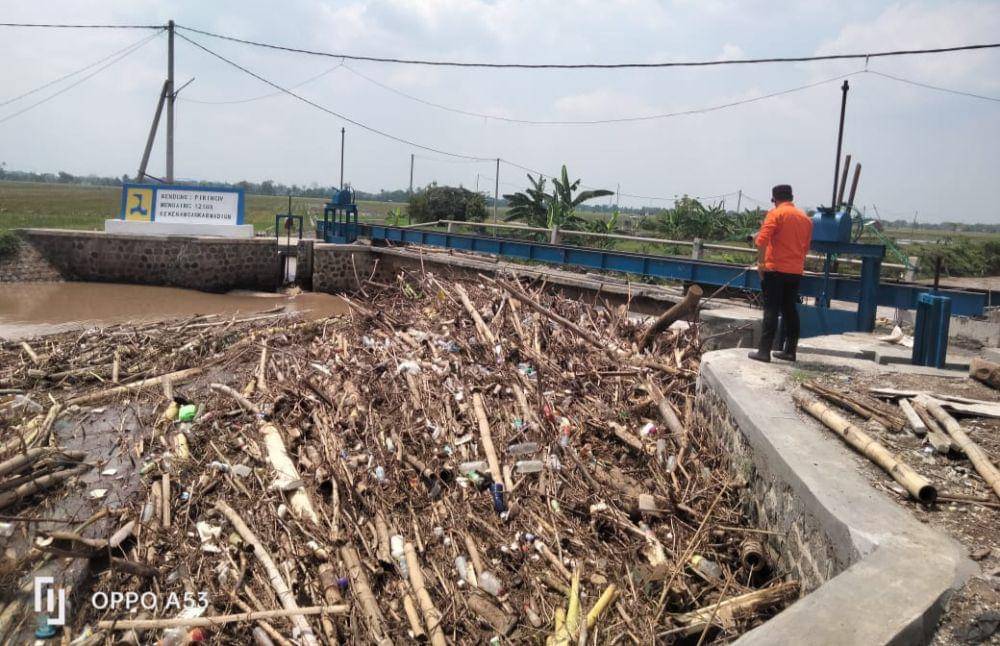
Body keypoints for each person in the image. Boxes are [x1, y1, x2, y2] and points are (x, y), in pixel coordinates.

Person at [748, 184, 813, 363]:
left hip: (775, 270)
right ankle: (790, 351)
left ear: (774, 199)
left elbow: (761, 241)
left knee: (771, 310)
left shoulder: (776, 214)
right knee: (790, 310)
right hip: (795, 272)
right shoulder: (806, 219)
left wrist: (761, 264)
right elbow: (805, 247)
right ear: (791, 197)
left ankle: (763, 351)